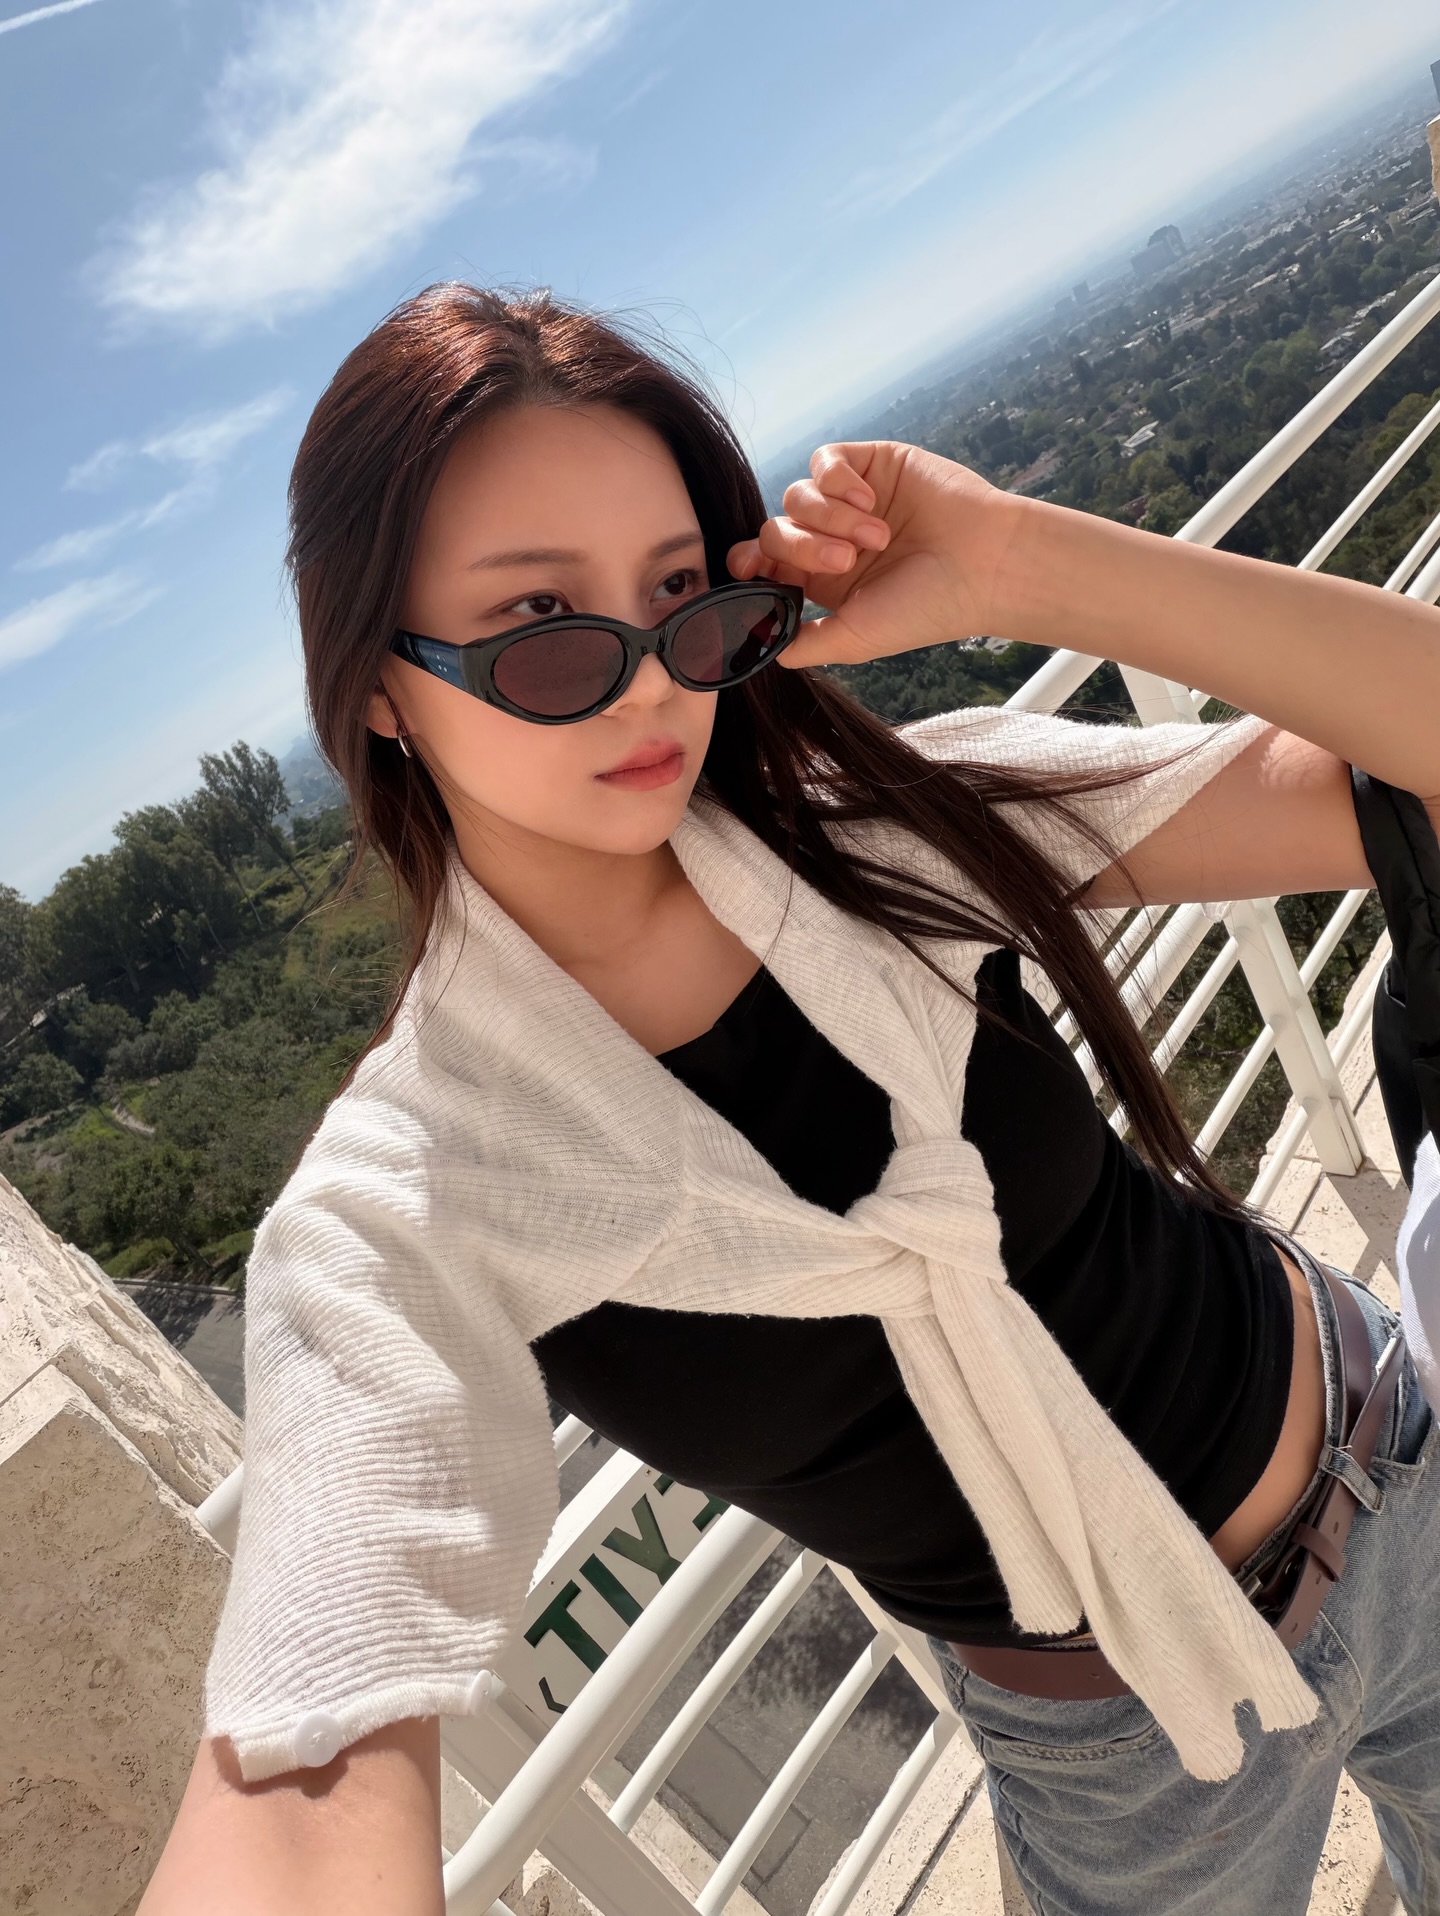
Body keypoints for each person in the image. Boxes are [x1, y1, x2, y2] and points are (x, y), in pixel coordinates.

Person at [138, 284, 1440, 1916]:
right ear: (380, 688)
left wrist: (1019, 562)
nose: (648, 685)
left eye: (683, 599)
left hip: (1397, 1457)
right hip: (1127, 1760)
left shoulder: (885, 833)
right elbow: (307, 1752)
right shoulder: (415, 1201)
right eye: (544, 623)